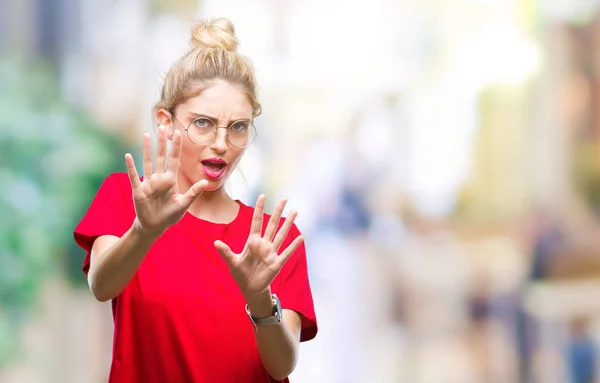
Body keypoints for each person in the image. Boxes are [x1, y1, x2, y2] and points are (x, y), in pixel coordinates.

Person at [73, 17, 317, 383]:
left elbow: (283, 366)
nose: (221, 143)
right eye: (203, 123)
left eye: (237, 127)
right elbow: (101, 285)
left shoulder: (272, 239)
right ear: (166, 123)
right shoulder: (126, 198)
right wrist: (144, 231)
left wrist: (260, 299)